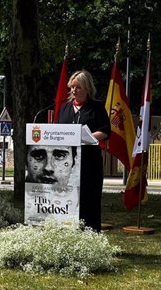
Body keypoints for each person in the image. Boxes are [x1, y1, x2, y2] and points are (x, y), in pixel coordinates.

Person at [57, 70, 110, 232]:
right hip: (67, 163)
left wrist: (86, 137)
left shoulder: (96, 108)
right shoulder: (65, 108)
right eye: (72, 87)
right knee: (68, 198)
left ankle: (90, 233)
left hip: (89, 161)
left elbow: (106, 131)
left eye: (78, 87)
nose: (74, 90)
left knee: (89, 199)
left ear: (87, 88)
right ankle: (69, 231)